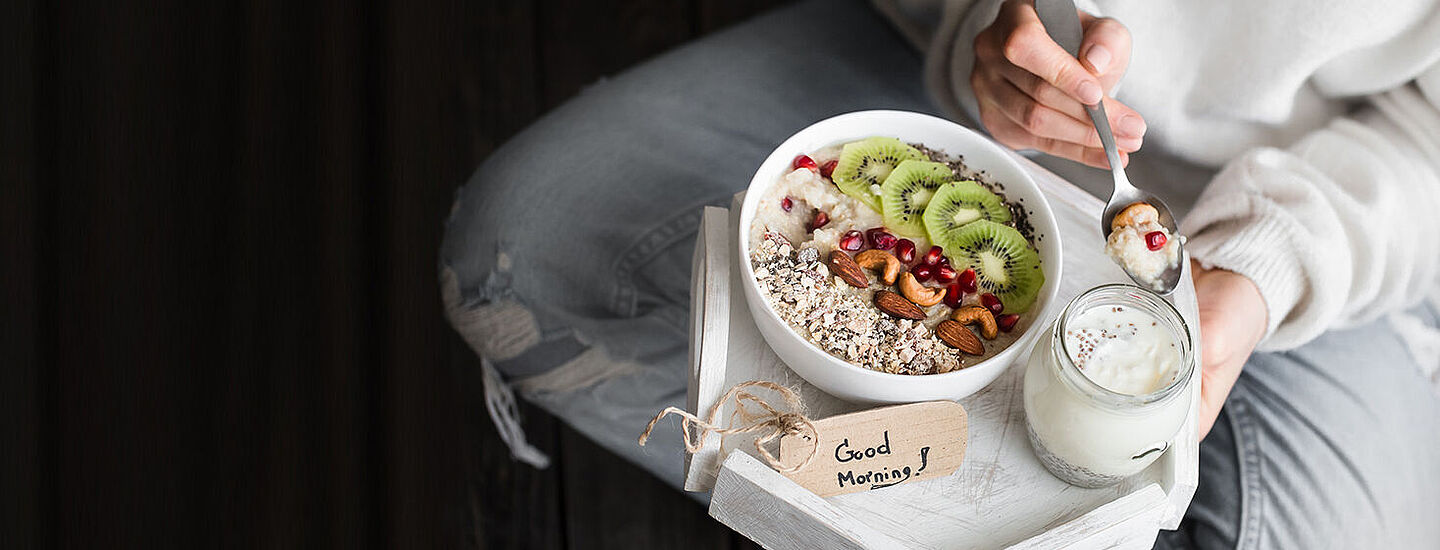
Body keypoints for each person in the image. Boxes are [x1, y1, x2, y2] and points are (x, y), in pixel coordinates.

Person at [442, 0, 1440, 547]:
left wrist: (1261, 272)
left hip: (1338, 214)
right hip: (939, 111)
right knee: (514, 260)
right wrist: (985, 33)